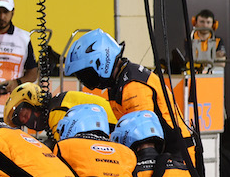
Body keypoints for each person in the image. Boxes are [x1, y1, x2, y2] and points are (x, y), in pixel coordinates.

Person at [61, 28, 194, 158]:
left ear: (100, 62)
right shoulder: (119, 83)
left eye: (85, 74)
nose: (85, 80)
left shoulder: (132, 86)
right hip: (168, 154)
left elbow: (144, 137)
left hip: (178, 156)